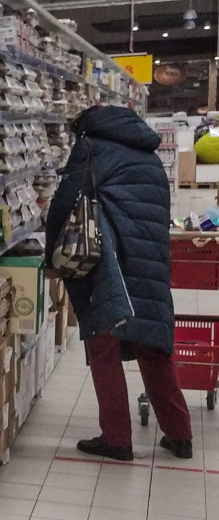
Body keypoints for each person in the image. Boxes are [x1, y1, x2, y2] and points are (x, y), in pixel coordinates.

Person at [45, 105, 193, 461]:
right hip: (151, 260)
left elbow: (66, 200)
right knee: (153, 345)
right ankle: (180, 435)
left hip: (110, 259)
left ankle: (116, 439)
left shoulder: (92, 146)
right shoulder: (150, 157)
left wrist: (51, 254)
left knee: (104, 345)